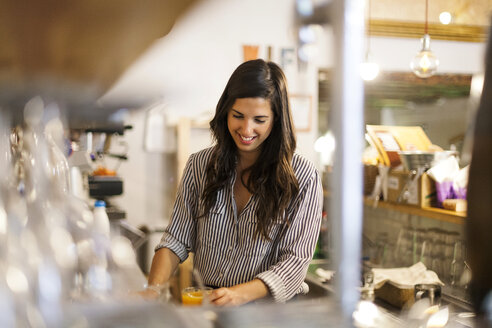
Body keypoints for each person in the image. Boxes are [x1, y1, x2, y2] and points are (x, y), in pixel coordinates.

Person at [142, 59, 323, 306]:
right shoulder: (200, 166)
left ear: (276, 120)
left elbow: (295, 262)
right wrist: (153, 290)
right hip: (206, 304)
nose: (246, 129)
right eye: (238, 116)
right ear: (226, 110)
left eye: (259, 120)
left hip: (267, 314)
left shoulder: (302, 178)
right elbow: (176, 239)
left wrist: (239, 294)